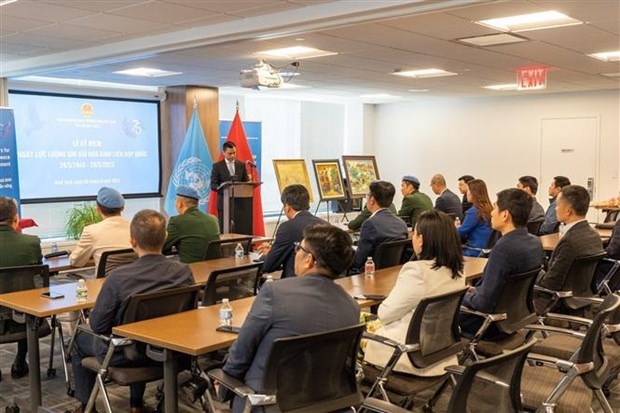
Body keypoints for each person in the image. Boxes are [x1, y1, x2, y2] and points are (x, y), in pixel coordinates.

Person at [222, 224, 360, 412]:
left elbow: (241, 353)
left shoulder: (274, 293)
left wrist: (225, 384)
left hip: (266, 402)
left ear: (309, 260)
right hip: (326, 403)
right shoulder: (351, 306)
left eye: (298, 249)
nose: (296, 253)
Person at [71, 209, 195, 413]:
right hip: (170, 350)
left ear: (132, 241)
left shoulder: (119, 278)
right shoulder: (183, 271)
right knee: (137, 331)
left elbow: (98, 325)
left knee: (79, 337)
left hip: (126, 355)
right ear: (165, 237)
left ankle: (87, 406)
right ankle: (136, 404)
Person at [363, 210, 465, 376]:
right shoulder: (458, 268)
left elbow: (384, 314)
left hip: (407, 354)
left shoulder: (416, 271)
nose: (412, 237)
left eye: (415, 233)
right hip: (441, 352)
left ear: (421, 239)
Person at [459, 188, 543, 340]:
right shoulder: (535, 242)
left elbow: (483, 303)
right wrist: (475, 290)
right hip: (514, 316)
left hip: (488, 323)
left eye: (496, 207)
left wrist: (460, 294)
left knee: (435, 312)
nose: (491, 212)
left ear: (505, 215)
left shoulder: (503, 248)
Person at [535, 185, 605, 313]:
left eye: (557, 205)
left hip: (558, 302)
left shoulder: (569, 242)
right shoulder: (594, 235)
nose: (555, 209)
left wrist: (535, 271)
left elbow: (550, 283)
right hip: (582, 296)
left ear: (568, 210)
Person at [0, 196, 42, 380]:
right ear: (15, 218)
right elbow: (37, 274)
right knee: (27, 299)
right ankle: (19, 361)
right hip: (24, 314)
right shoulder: (31, 243)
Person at [261, 184, 326, 278]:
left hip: (295, 284)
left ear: (287, 207)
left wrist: (267, 254)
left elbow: (269, 265)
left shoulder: (287, 228)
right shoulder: (324, 224)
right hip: (322, 283)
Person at [69, 187, 131, 272]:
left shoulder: (90, 231)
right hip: (134, 282)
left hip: (106, 284)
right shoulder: (135, 228)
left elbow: (75, 262)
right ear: (122, 208)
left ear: (98, 209)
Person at [352, 181, 408, 273]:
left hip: (369, 274)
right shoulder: (402, 224)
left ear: (372, 200)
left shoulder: (370, 224)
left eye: (367, 195)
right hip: (392, 274)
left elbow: (359, 261)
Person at [163, 185, 220, 263]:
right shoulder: (213, 219)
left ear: (180, 204)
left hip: (191, 271)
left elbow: (162, 247)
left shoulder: (177, 221)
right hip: (214, 270)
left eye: (176, 200)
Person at [210, 141, 250, 231]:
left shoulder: (241, 165)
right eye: (230, 153)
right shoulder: (217, 166)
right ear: (224, 153)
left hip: (239, 204)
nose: (232, 155)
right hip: (224, 203)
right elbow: (213, 185)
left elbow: (246, 181)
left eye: (234, 153)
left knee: (239, 228)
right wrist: (225, 189)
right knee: (224, 229)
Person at [458, 179, 493, 257]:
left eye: (468, 191)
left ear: (474, 193)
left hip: (474, 252)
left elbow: (461, 232)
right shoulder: (489, 208)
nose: (467, 194)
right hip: (486, 251)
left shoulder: (474, 211)